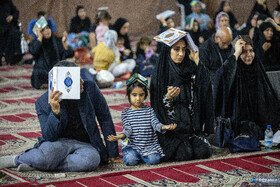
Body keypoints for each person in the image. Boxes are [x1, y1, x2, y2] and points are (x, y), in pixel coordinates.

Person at [0, 60, 121, 171]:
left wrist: (112, 152)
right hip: (57, 143)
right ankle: (17, 159)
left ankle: (39, 165)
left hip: (85, 144)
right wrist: (55, 112)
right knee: (45, 156)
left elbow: (104, 118)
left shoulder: (89, 89)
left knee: (92, 160)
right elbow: (48, 137)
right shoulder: (43, 102)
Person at [150, 37, 214, 162]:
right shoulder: (160, 74)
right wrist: (167, 98)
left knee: (203, 151)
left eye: (184, 50)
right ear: (168, 50)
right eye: (176, 49)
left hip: (190, 129)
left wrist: (197, 61)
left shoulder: (189, 69)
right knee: (184, 154)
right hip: (170, 131)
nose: (181, 54)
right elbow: (157, 110)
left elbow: (204, 88)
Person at [214, 36, 280, 140]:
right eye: (244, 52)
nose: (249, 55)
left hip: (260, 119)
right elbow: (221, 77)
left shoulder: (257, 68)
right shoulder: (234, 72)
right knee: (251, 131)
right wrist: (236, 53)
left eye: (251, 51)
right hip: (240, 121)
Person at [107, 74, 177, 166]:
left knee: (154, 160)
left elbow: (155, 124)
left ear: (145, 95)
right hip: (133, 146)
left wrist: (165, 127)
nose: (138, 99)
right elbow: (128, 129)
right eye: (134, 95)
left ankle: (143, 156)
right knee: (130, 161)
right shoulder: (126, 113)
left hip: (149, 146)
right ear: (128, 95)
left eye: (141, 95)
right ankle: (135, 155)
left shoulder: (149, 110)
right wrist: (119, 137)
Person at [0, 0, 21, 65]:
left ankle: (12, 58)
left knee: (15, 33)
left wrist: (12, 17)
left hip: (9, 26)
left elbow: (16, 12)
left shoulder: (8, 2)